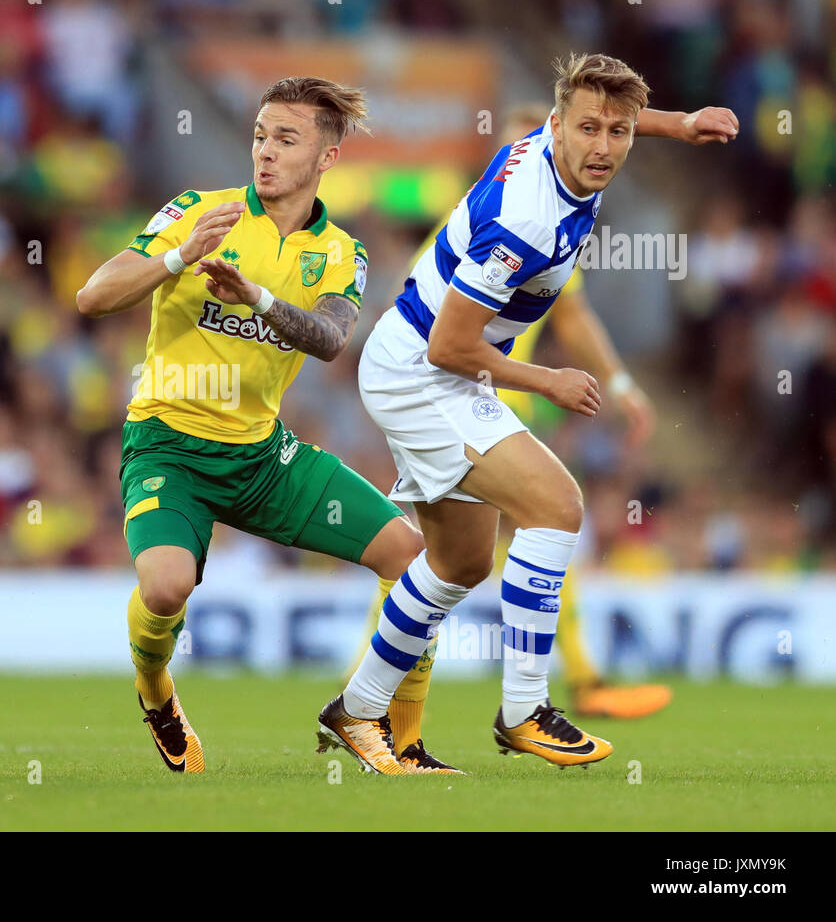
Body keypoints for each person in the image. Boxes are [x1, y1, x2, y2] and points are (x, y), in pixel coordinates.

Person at [326, 54, 737, 768]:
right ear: (555, 126)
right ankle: (525, 710)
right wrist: (547, 382)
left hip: (422, 362)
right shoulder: (526, 221)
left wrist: (682, 123)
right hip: (421, 369)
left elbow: (619, 118)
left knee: (458, 563)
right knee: (557, 506)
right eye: (588, 129)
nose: (604, 146)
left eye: (618, 131)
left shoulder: (567, 150)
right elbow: (452, 346)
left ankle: (357, 711)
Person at [77, 77, 430, 775]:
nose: (265, 152)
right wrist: (176, 257)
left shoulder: (340, 253)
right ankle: (156, 693)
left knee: (412, 559)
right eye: (261, 135)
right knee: (167, 588)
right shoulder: (197, 212)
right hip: (168, 448)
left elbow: (330, 338)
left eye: (286, 139)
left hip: (263, 459)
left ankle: (394, 735)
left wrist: (259, 298)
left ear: (327, 156)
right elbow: (93, 296)